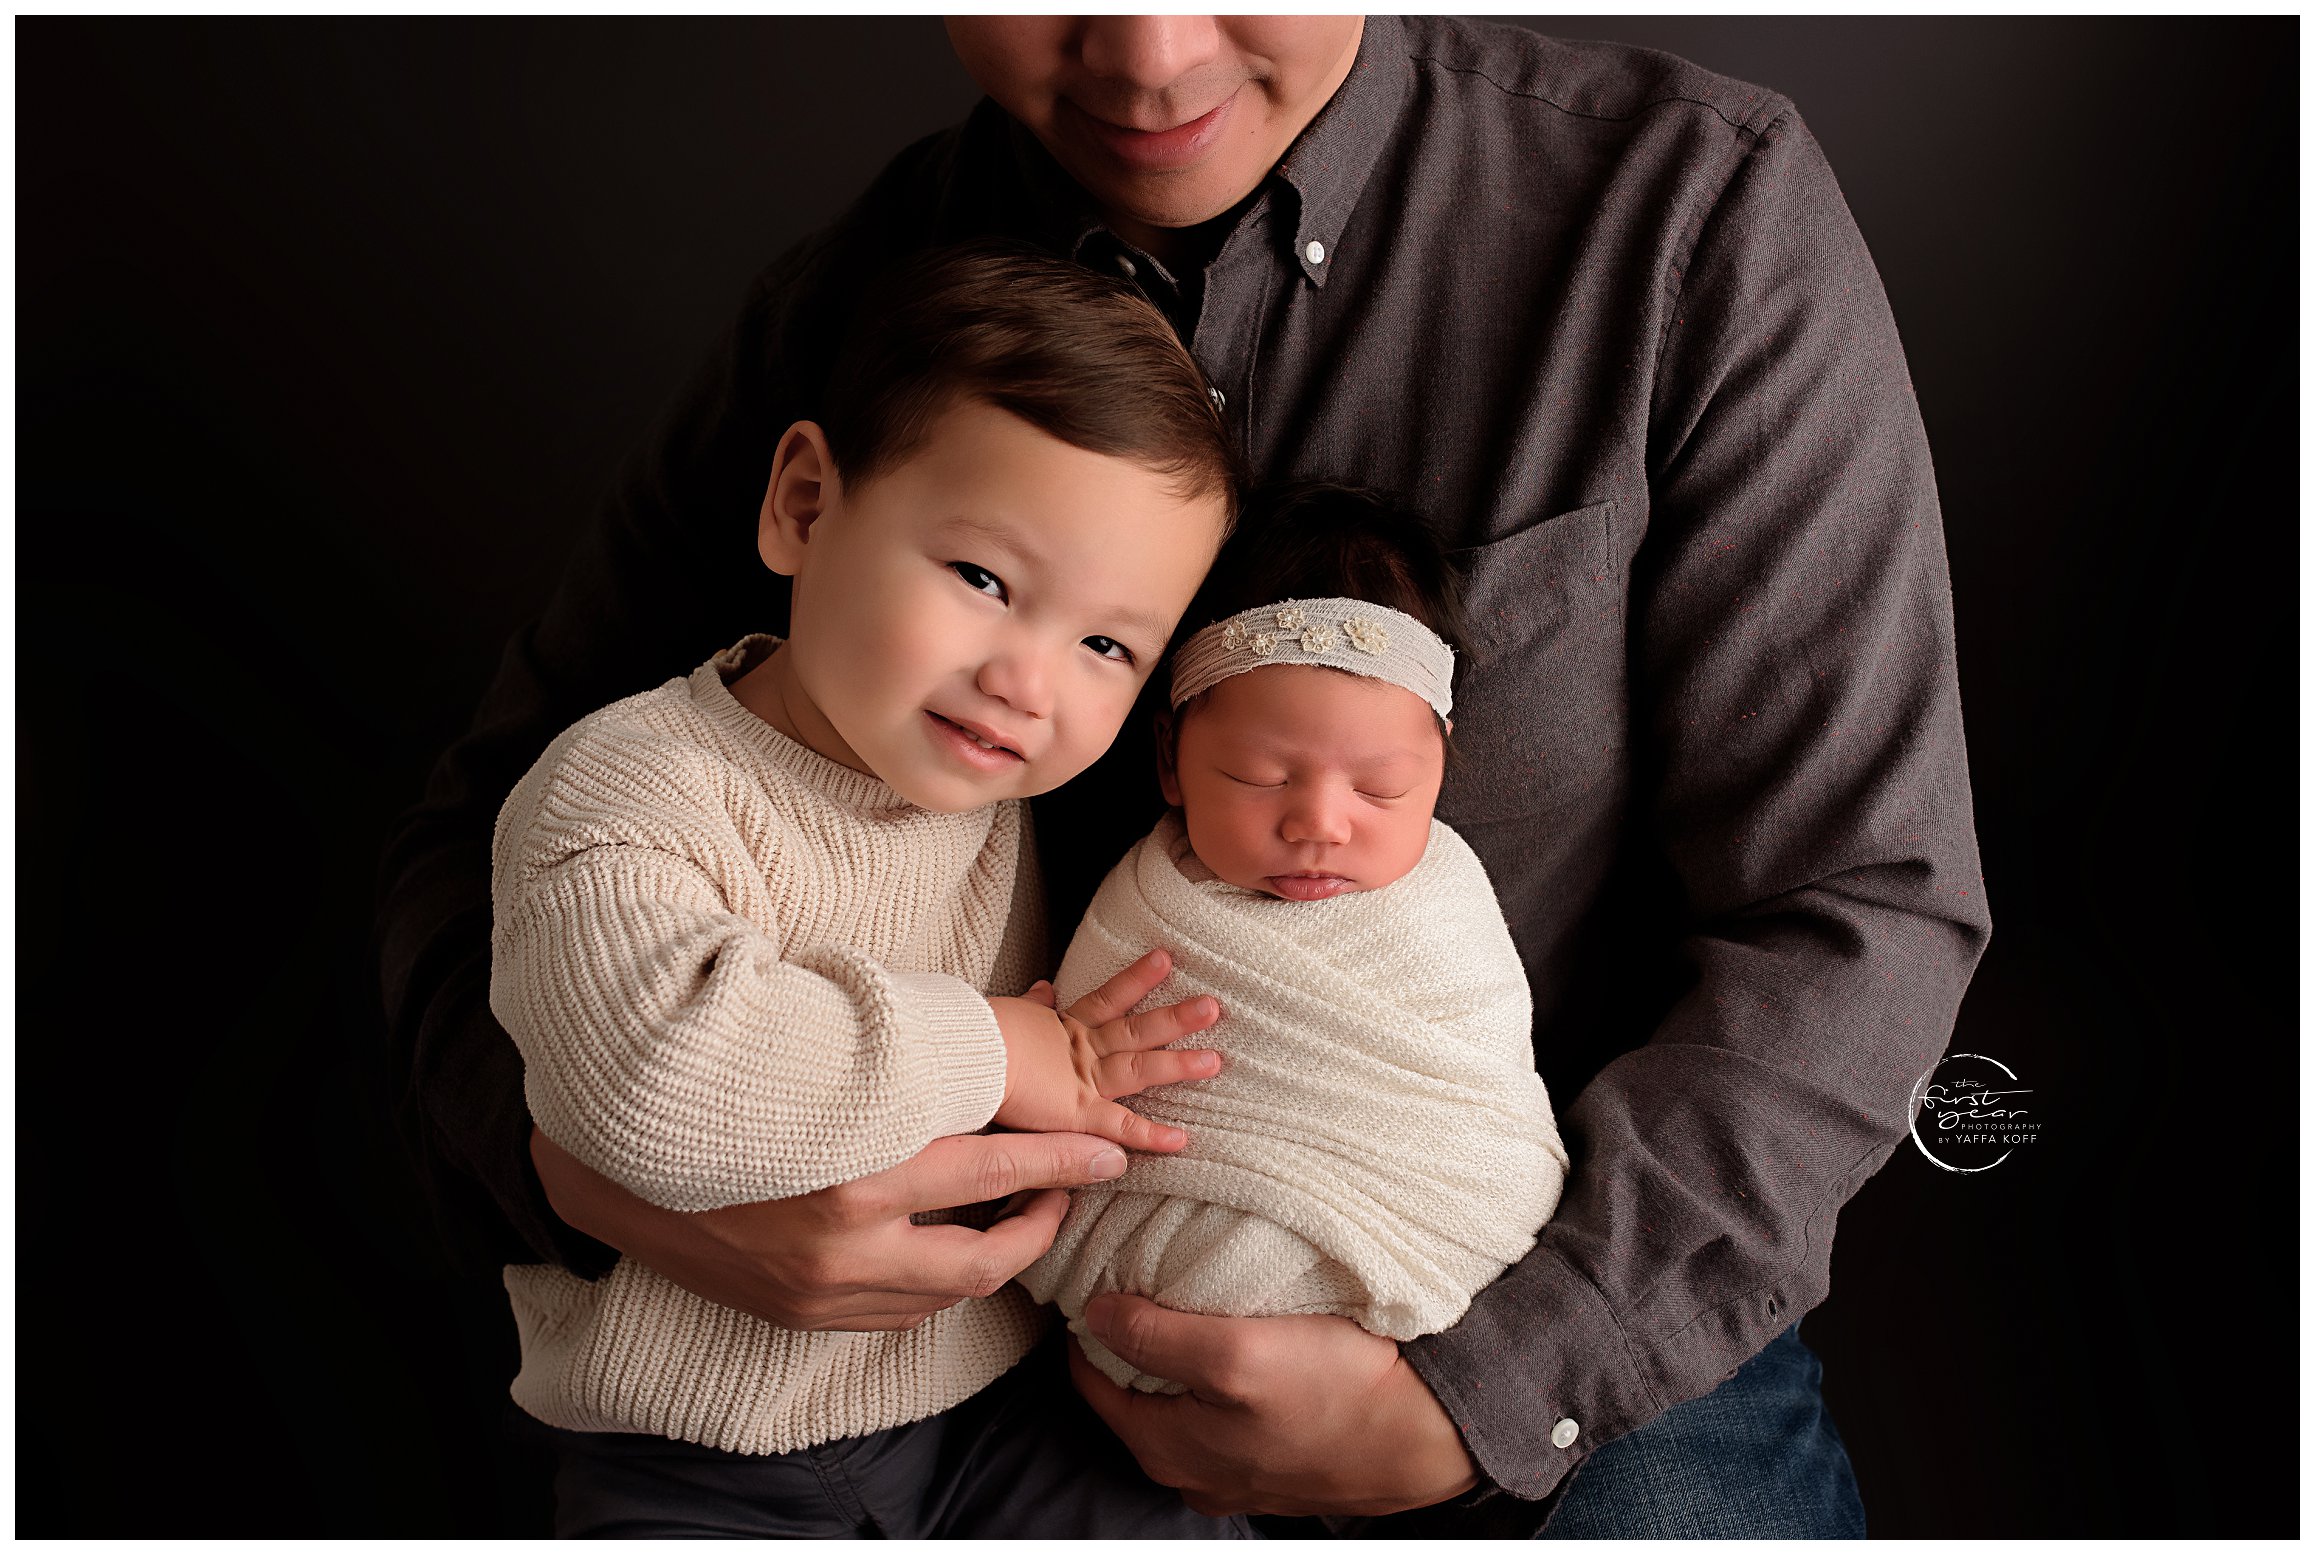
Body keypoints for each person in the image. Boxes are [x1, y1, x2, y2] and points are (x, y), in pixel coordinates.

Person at [376, 15, 1990, 1537]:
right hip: (991, 1328)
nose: (1150, 62)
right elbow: (504, 831)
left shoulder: (1683, 209)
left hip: (1556, 1253)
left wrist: (1501, 1388)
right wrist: (604, 1188)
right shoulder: (875, 299)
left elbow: (1857, 898)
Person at [482, 244, 1252, 1536]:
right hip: (702, 1451)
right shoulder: (630, 790)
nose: (1029, 678)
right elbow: (651, 1075)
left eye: (1105, 643)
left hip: (996, 1402)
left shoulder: (998, 793)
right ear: (801, 502)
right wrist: (996, 1044)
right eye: (982, 581)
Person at [1019, 483, 1572, 1396]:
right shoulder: (1143, 907)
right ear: (1170, 759)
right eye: (1258, 775)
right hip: (1164, 1273)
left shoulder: (1443, 905)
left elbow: (1487, 1111)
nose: (1318, 823)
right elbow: (1080, 1108)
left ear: (1437, 765)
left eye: (1381, 788)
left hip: (1425, 1281)